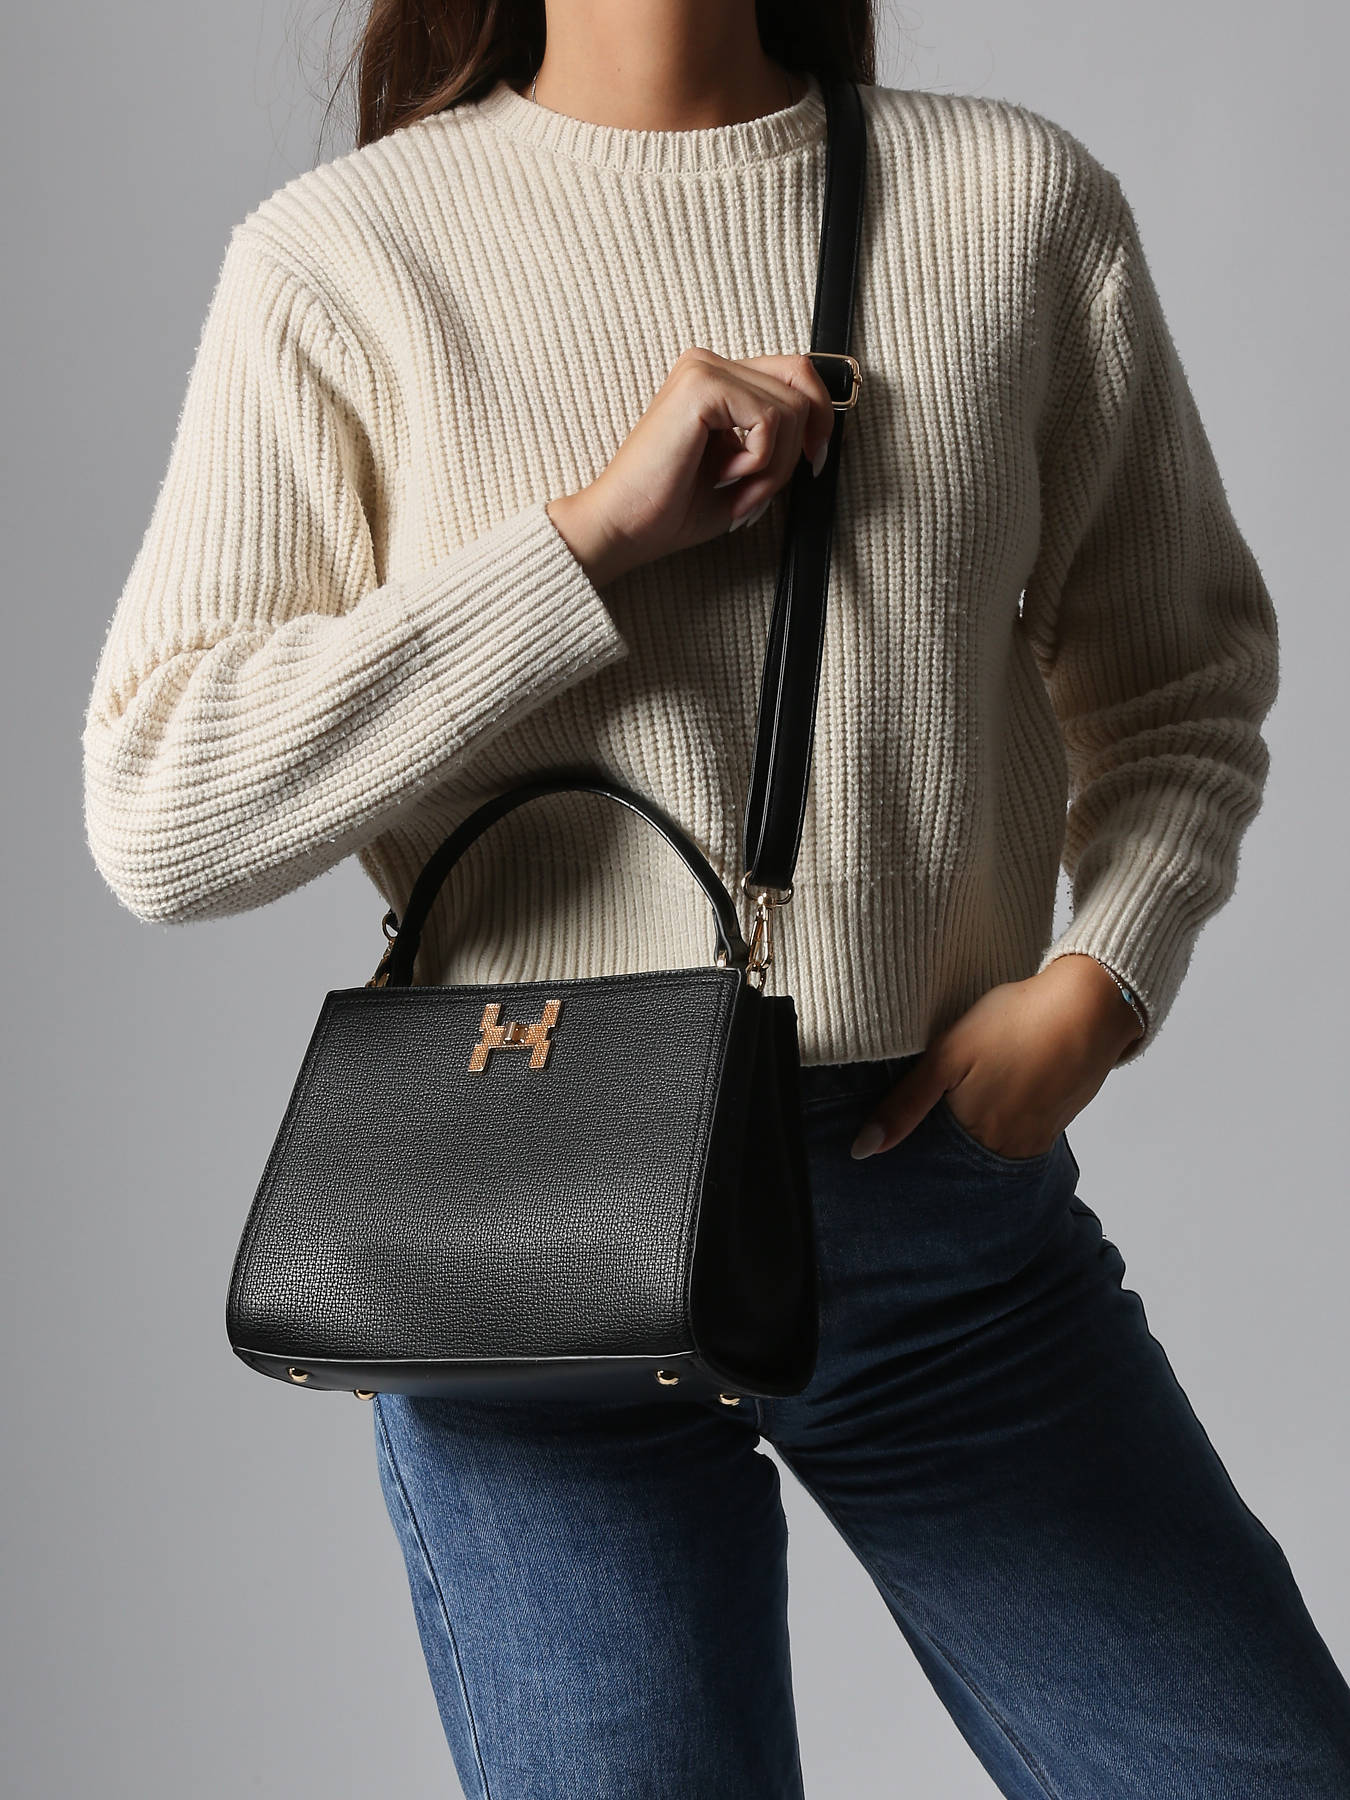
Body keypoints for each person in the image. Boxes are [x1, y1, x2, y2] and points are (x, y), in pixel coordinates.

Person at [80, 2, 1350, 1795]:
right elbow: (162, 811)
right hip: (525, 1209)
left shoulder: (1007, 203)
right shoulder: (344, 259)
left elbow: (1182, 681)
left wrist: (1101, 983)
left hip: (929, 1199)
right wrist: (588, 540)